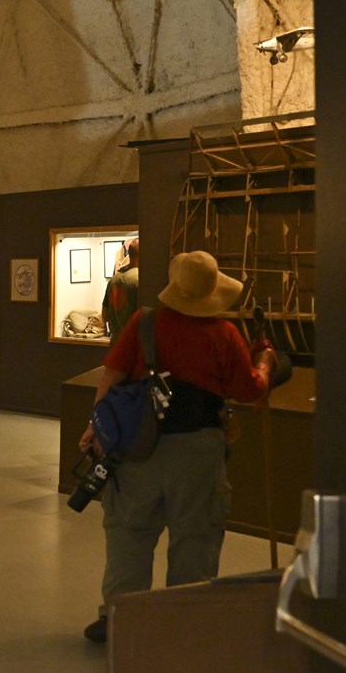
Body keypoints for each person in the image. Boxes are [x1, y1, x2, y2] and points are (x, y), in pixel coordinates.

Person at [77, 250, 277, 644]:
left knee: (128, 534)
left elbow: (113, 375)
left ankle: (121, 617)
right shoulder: (224, 334)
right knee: (195, 537)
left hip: (138, 447)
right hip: (198, 450)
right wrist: (267, 363)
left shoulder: (144, 322)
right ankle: (185, 624)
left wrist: (96, 427)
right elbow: (249, 389)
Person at [100, 238, 140, 345]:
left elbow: (104, 315)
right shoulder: (140, 279)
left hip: (116, 343)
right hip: (134, 344)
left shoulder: (113, 280)